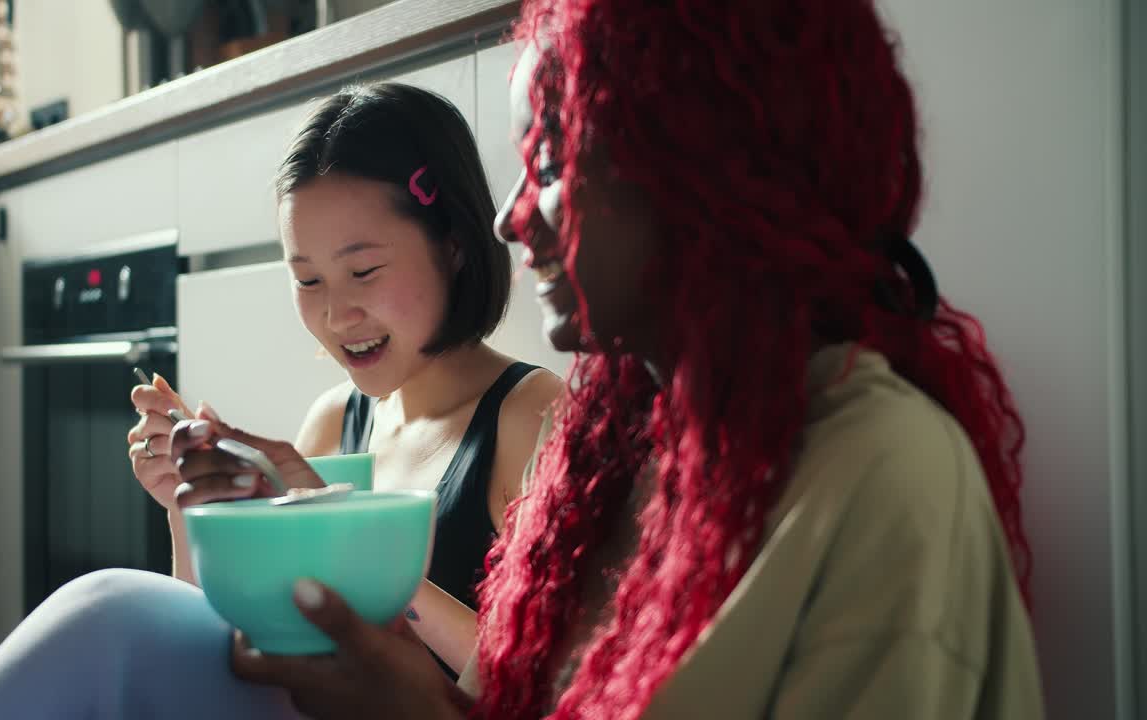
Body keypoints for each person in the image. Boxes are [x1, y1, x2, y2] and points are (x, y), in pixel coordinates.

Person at [221, 1, 1046, 718]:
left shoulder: (888, 475)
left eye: (550, 163)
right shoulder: (601, 466)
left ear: (704, 167)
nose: (509, 219)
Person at [0, 82, 559, 719]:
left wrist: (365, 560)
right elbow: (216, 644)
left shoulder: (529, 418)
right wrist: (190, 510)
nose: (335, 314)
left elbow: (546, 680)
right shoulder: (334, 421)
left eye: (363, 271)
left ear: (453, 245)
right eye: (307, 279)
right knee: (105, 620)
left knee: (104, 610)